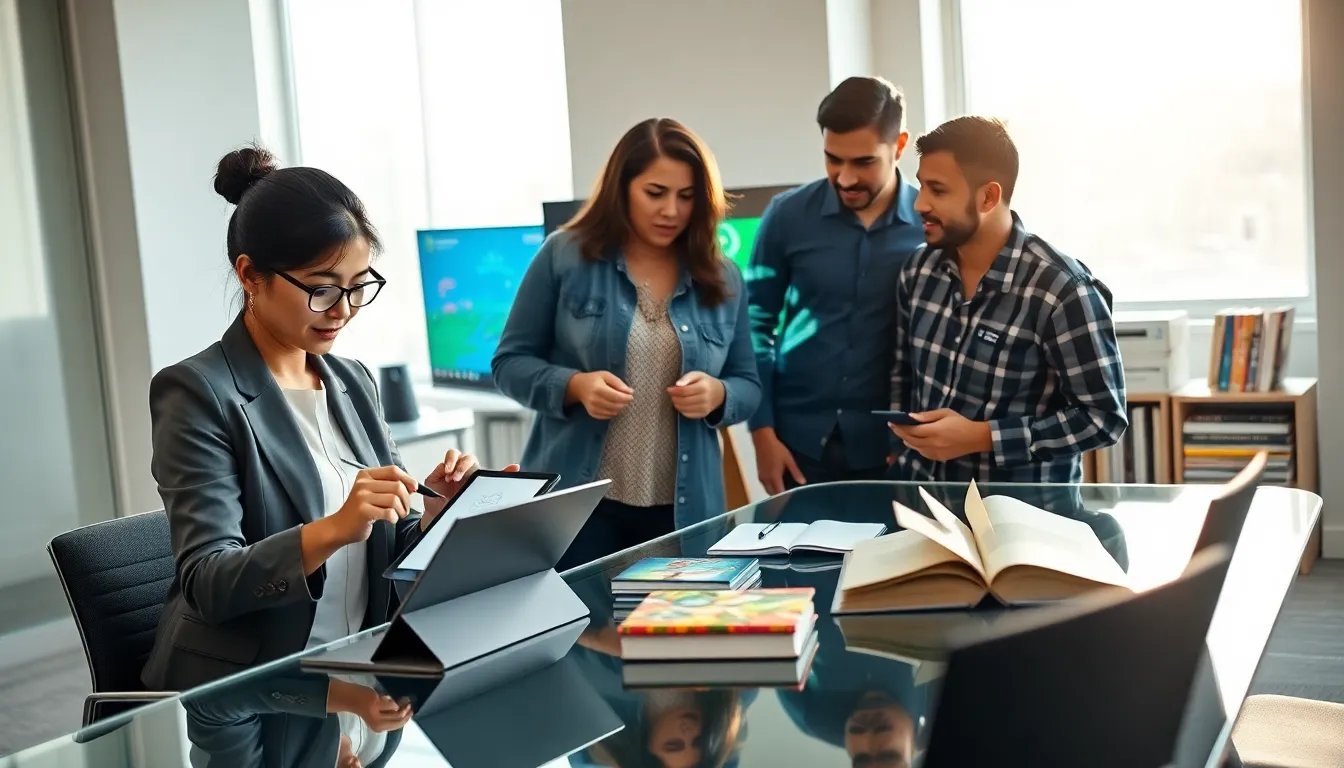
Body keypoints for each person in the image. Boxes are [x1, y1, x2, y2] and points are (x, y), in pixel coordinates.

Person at [140, 146, 516, 749]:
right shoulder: (197, 392)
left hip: (369, 684)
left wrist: (436, 515)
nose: (343, 311)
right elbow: (209, 583)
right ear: (250, 275)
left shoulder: (351, 382)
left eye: (358, 287)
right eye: (321, 289)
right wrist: (336, 527)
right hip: (265, 700)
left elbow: (385, 556)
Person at [492, 118, 761, 570]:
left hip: (682, 514)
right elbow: (509, 363)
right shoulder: (563, 255)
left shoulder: (724, 277)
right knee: (577, 616)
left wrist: (719, 394)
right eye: (655, 193)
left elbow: (748, 384)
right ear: (622, 188)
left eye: (686, 196)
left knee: (674, 619)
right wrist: (574, 386)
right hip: (578, 506)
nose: (671, 210)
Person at [888, 116, 1126, 483]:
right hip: (921, 498)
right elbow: (901, 374)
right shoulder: (917, 271)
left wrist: (981, 437)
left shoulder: (1062, 290)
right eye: (921, 186)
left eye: (938, 190)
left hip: (1019, 509)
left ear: (988, 197)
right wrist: (897, 442)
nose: (919, 203)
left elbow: (1103, 419)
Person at [746, 76, 926, 495]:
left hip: (892, 451)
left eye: (863, 162)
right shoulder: (786, 216)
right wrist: (762, 434)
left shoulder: (929, 226)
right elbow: (753, 326)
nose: (845, 178)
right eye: (833, 159)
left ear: (899, 146)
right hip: (797, 447)